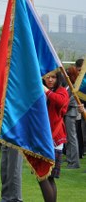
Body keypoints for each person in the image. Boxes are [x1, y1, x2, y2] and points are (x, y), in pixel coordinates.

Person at [38, 71, 69, 202]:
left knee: (44, 176)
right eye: (47, 77)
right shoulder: (40, 90)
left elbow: (60, 101)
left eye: (53, 77)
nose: (50, 79)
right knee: (47, 177)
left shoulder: (62, 91)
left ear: (58, 78)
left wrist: (45, 90)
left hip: (54, 138)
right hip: (41, 137)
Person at [65, 65, 80, 169]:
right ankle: (70, 159)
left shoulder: (75, 86)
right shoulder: (69, 85)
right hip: (67, 112)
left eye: (67, 72)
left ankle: (74, 162)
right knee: (69, 138)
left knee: (72, 138)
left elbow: (72, 100)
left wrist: (62, 103)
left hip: (71, 113)